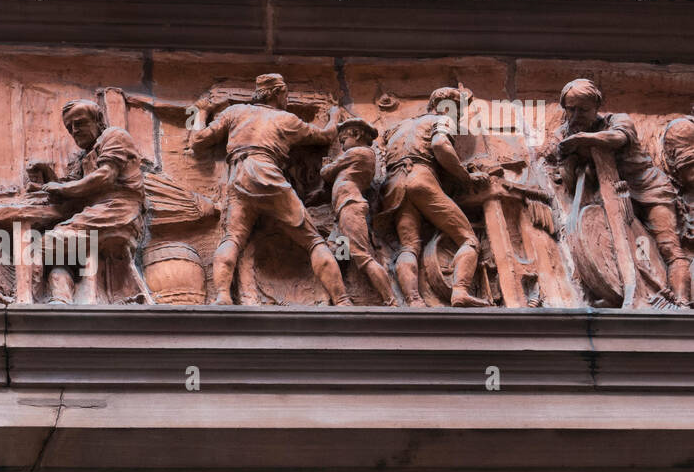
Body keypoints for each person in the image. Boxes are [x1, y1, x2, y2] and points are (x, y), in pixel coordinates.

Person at [188, 72, 350, 305]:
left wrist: (198, 111)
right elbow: (326, 136)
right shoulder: (287, 120)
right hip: (267, 175)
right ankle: (343, 299)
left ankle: (223, 295)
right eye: (286, 94)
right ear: (276, 93)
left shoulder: (235, 112)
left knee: (232, 238)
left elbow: (197, 139)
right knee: (314, 240)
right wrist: (334, 114)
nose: (287, 99)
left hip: (239, 177)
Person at [559, 78, 690, 307]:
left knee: (669, 247)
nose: (576, 115)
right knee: (627, 243)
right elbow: (569, 177)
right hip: (617, 194)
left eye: (583, 109)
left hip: (650, 189)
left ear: (596, 107)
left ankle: (682, 301)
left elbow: (617, 139)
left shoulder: (617, 121)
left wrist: (583, 139)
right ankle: (633, 290)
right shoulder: (568, 132)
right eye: (571, 109)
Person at [375, 87, 490, 307]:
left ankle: (413, 301)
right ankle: (460, 291)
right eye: (457, 112)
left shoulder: (399, 127)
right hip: (421, 179)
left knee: (408, 246)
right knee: (468, 239)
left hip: (393, 185)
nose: (457, 117)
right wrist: (466, 176)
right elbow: (440, 145)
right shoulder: (442, 120)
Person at [38, 99, 150, 304]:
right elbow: (73, 188)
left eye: (79, 123)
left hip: (118, 212)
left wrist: (62, 189)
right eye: (70, 127)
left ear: (98, 120)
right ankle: (61, 297)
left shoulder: (115, 137)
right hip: (96, 214)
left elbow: (105, 176)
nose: (74, 131)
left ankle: (56, 295)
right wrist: (47, 179)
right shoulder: (84, 156)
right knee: (54, 247)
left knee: (45, 245)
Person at [317, 117, 397, 305]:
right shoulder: (358, 154)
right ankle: (334, 298)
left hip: (350, 208)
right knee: (338, 253)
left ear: (357, 134)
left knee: (361, 255)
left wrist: (326, 164)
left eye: (343, 140)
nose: (342, 144)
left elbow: (327, 172)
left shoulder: (360, 152)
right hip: (342, 213)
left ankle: (391, 300)